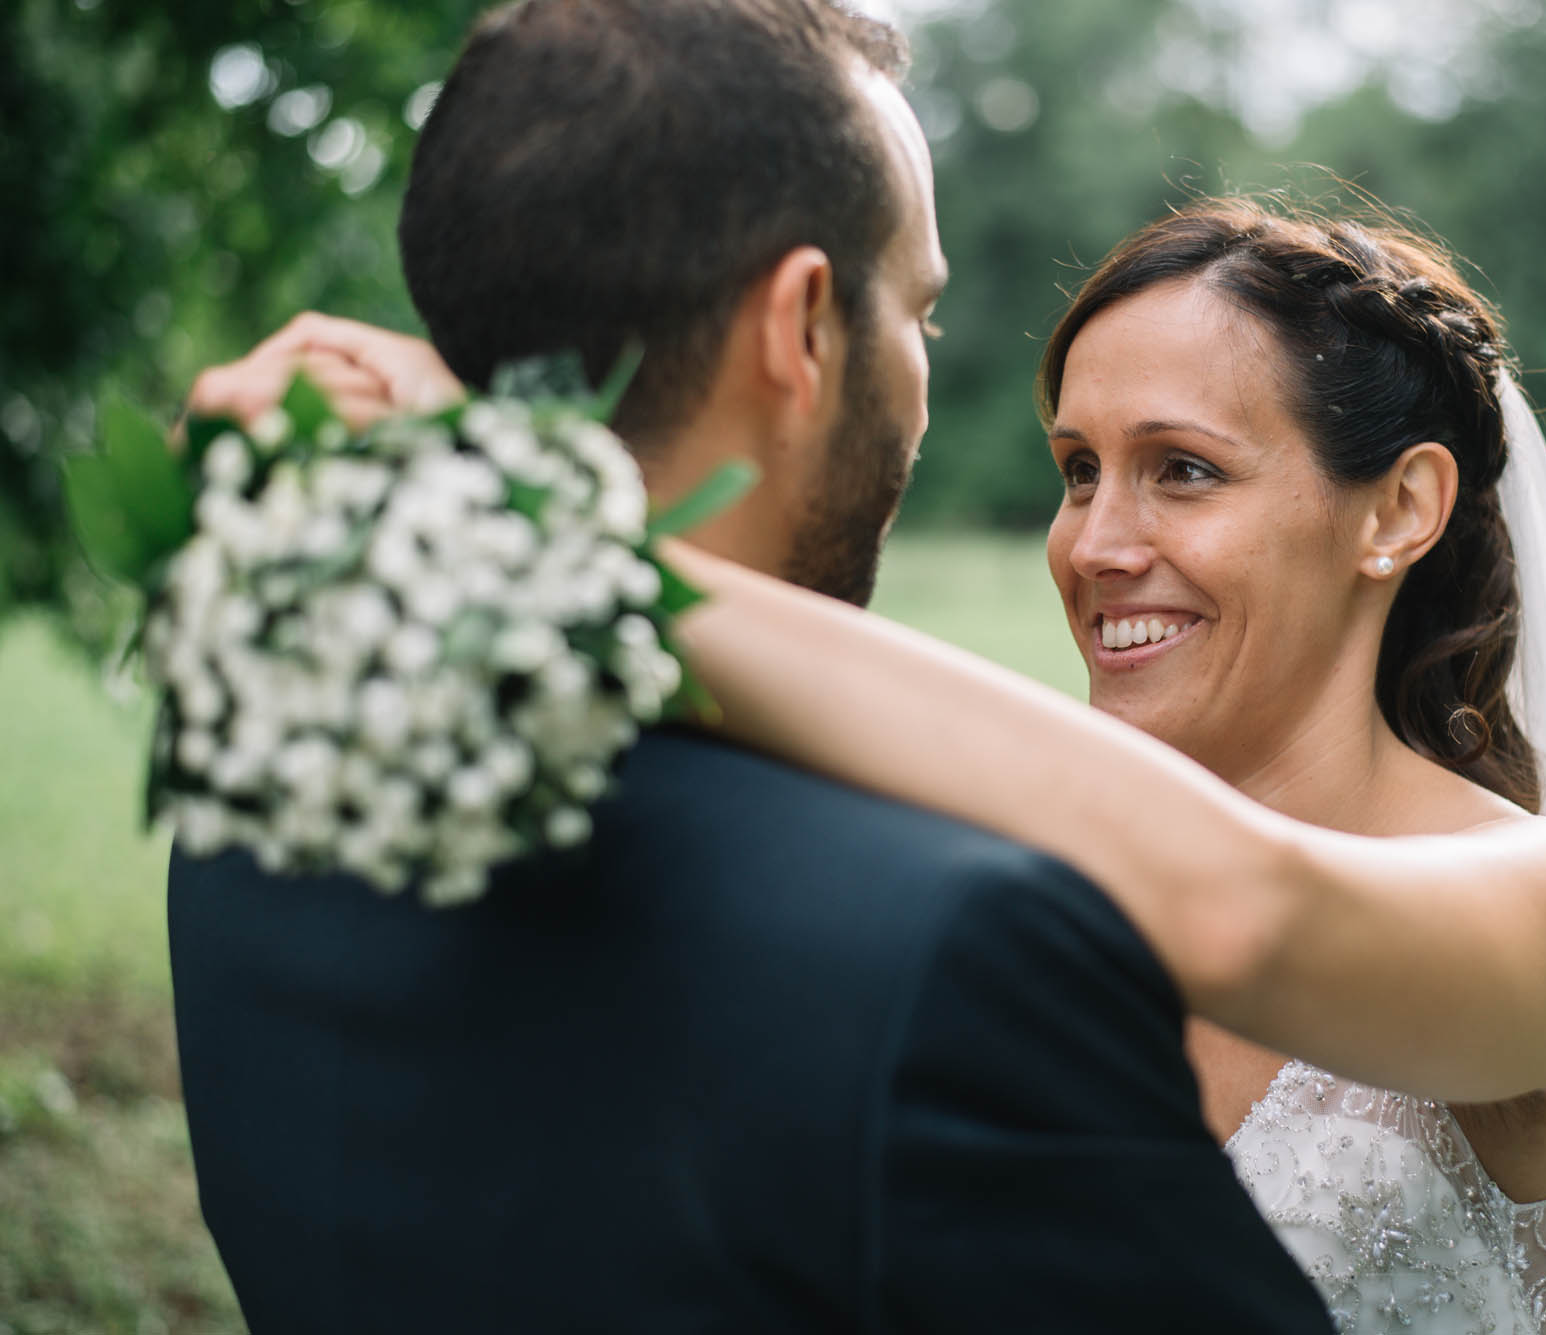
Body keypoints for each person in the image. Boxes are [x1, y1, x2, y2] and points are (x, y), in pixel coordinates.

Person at [164, 3, 1335, 1331]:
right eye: (921, 312)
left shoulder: (258, 816)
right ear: (804, 327)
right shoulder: (952, 945)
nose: (924, 374)